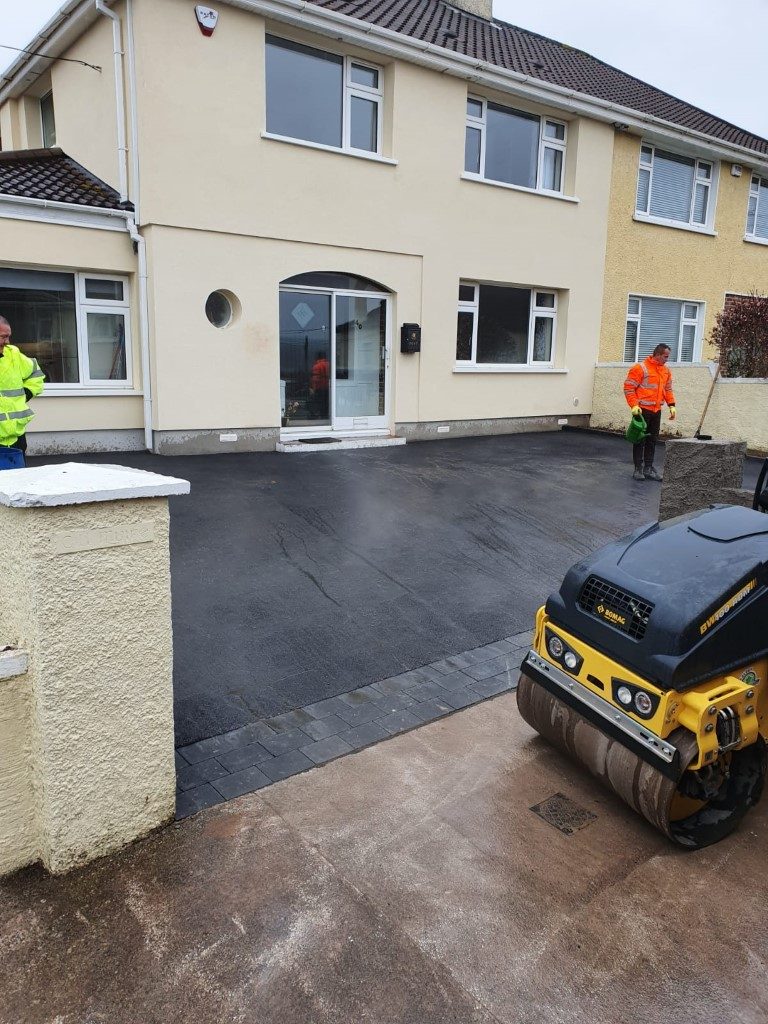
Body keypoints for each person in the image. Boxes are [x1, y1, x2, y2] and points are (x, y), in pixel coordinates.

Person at [623, 343, 676, 482]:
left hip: (656, 410)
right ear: (657, 355)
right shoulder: (640, 368)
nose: (667, 359)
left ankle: (648, 468)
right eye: (665, 356)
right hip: (642, 411)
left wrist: (672, 405)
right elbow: (629, 388)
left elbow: (668, 390)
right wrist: (634, 405)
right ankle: (638, 469)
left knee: (652, 440)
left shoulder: (666, 371)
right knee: (640, 439)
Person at [0, 316, 45, 464]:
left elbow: (35, 373)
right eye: (3, 337)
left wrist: (27, 392)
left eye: (8, 337)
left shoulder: (13, 353)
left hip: (16, 437)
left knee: (18, 483)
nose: (7, 342)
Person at [309, 353, 330, 419]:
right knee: (327, 402)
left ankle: (321, 416)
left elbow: (315, 379)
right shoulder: (329, 364)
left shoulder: (317, 366)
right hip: (328, 387)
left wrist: (313, 388)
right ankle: (326, 416)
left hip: (319, 387)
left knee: (319, 403)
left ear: (318, 357)